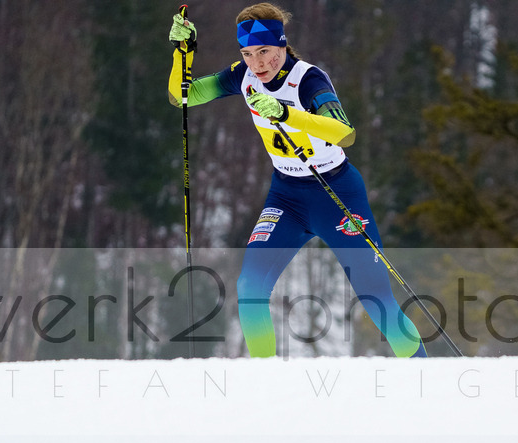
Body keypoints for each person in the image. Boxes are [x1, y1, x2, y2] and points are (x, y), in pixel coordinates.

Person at [167, 3, 426, 358]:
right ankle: (267, 379)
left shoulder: (308, 79)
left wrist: (287, 114)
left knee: (375, 297)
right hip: (286, 197)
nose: (257, 63)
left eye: (264, 52)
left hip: (336, 193)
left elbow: (344, 133)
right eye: (247, 54)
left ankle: (422, 371)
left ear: (281, 44)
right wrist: (183, 54)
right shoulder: (243, 75)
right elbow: (183, 96)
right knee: (250, 287)